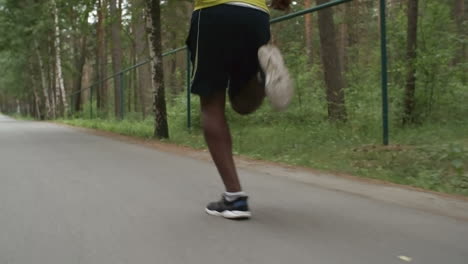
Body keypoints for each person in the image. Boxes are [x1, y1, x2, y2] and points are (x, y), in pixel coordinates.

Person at [186, 0, 293, 219]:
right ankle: (262, 78)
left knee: (211, 103)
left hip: (213, 12)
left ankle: (235, 197)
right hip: (255, 15)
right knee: (241, 104)